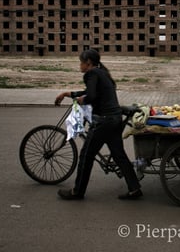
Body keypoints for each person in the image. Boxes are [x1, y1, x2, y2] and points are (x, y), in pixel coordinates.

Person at [54, 49, 143, 201]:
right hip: (114, 119)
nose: (80, 65)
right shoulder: (102, 73)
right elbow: (90, 91)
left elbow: (91, 95)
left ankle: (77, 192)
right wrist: (68, 94)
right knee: (119, 155)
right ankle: (135, 189)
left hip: (104, 121)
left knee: (86, 155)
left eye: (81, 62)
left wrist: (84, 100)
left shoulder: (91, 74)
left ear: (88, 63)